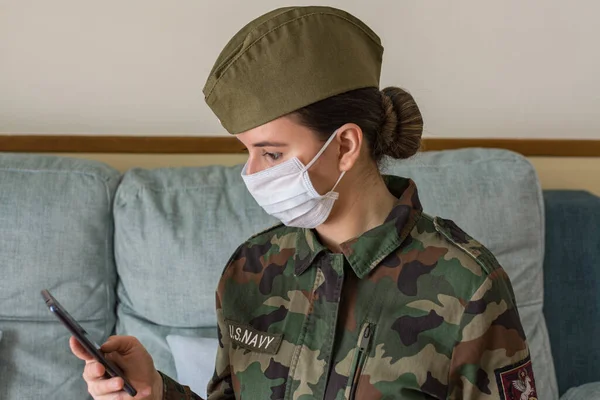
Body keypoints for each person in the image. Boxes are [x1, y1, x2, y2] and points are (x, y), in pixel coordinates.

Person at [70, 6, 538, 400]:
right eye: (247, 151)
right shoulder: (251, 267)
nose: (252, 173)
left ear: (346, 145)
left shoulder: (469, 286)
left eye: (271, 153)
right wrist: (155, 390)